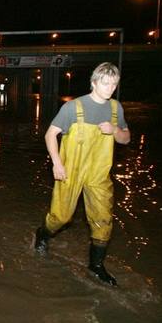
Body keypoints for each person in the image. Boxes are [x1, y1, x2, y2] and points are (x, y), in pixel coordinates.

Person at [35, 62, 130, 286]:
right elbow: (50, 135)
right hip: (71, 171)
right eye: (105, 83)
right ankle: (43, 233)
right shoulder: (72, 108)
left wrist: (115, 130)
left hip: (99, 173)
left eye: (114, 84)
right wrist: (56, 164)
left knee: (103, 220)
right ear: (94, 82)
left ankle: (96, 266)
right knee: (62, 216)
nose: (110, 88)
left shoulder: (116, 109)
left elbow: (126, 138)